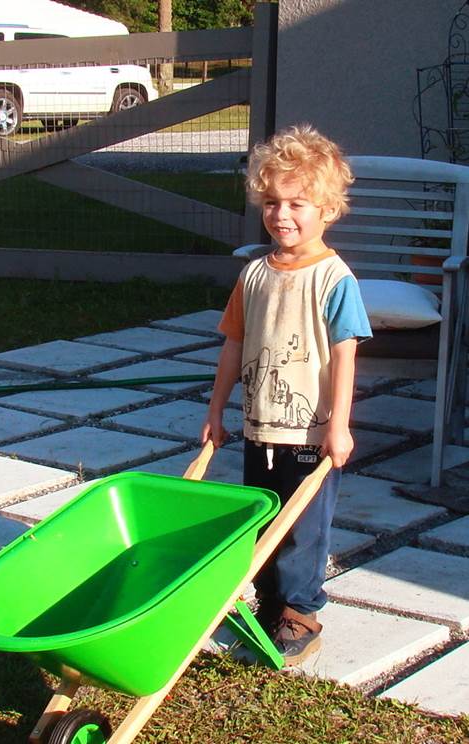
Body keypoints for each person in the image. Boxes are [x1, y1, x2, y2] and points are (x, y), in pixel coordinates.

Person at [201, 124, 372, 665]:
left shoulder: (334, 279)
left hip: (310, 433)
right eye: (272, 202)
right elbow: (233, 344)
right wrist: (216, 410)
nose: (282, 215)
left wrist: (339, 426)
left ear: (327, 208)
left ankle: (300, 612)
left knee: (302, 527)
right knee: (265, 517)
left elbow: (345, 353)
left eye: (298, 203)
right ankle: (268, 601)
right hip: (260, 427)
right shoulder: (254, 274)